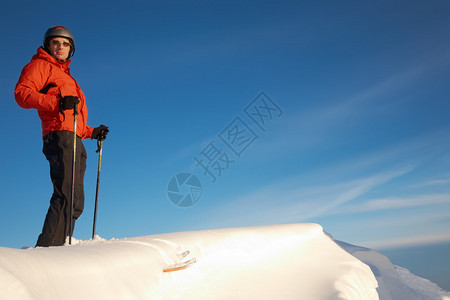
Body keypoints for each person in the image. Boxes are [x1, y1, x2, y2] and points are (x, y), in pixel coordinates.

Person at [15, 25, 109, 247]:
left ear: (71, 49)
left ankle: (61, 246)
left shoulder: (66, 77)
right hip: (59, 137)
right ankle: (47, 251)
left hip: (73, 139)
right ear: (48, 45)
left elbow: (72, 119)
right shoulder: (40, 66)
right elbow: (21, 94)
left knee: (76, 201)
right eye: (56, 42)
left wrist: (92, 132)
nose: (60, 46)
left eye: (65, 44)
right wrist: (57, 102)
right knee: (66, 193)